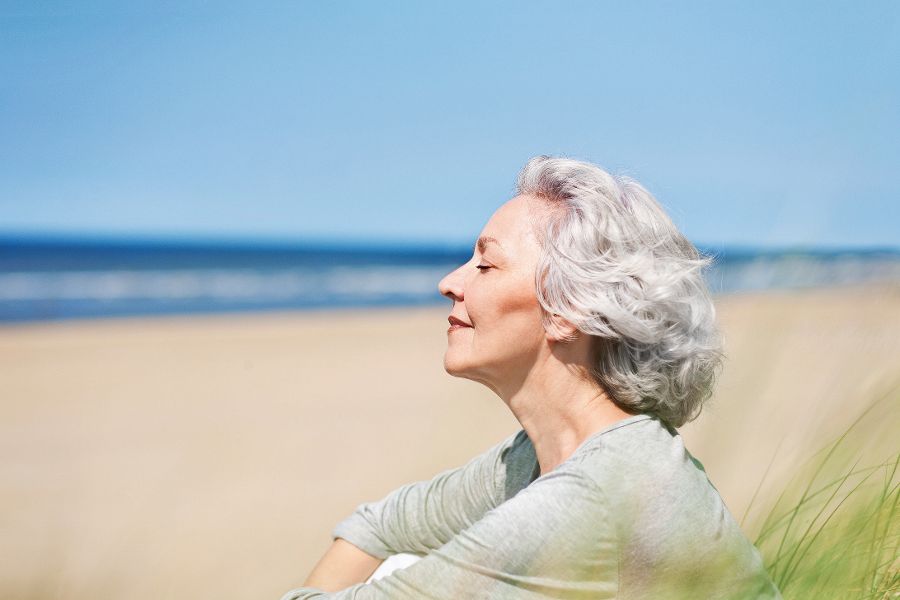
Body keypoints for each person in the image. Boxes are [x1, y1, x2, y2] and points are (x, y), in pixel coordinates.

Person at [281, 156, 780, 599]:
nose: (450, 282)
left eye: (486, 264)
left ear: (568, 310)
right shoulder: (538, 460)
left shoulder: (591, 501)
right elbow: (380, 524)